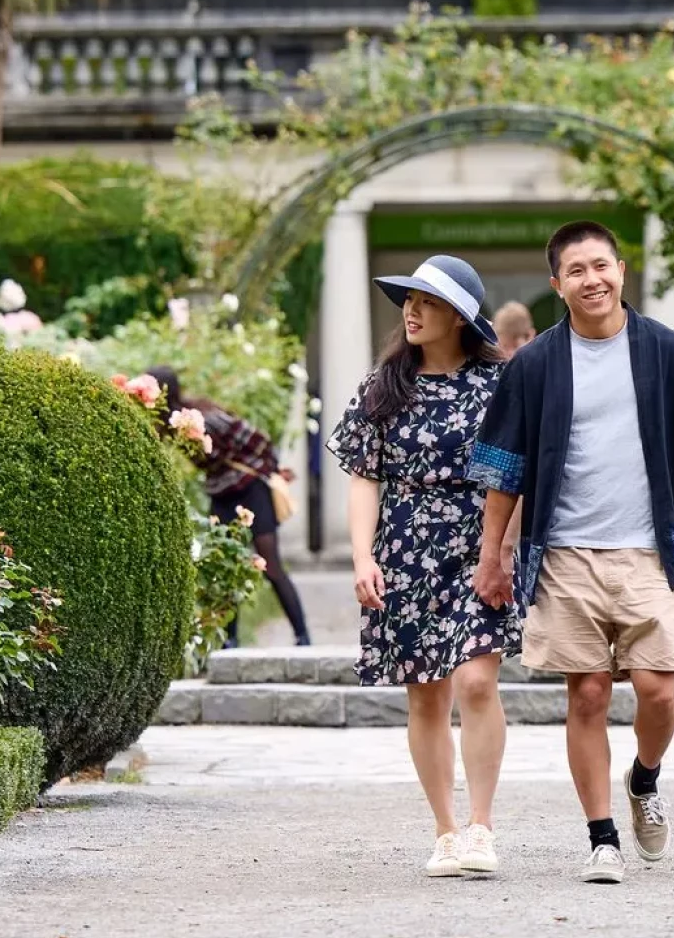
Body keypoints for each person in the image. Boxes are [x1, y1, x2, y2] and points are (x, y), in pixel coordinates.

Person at [467, 220, 674, 884]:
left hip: (648, 549)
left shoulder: (670, 353)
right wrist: (491, 555)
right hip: (563, 552)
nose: (593, 279)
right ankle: (601, 838)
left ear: (621, 268)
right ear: (558, 285)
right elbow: (504, 470)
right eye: (576, 271)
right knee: (586, 693)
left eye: (601, 265)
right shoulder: (534, 365)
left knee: (659, 691)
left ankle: (644, 778)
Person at [328, 254, 521, 879]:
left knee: (476, 683)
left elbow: (519, 474)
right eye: (408, 300)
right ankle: (444, 831)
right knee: (426, 698)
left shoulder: (498, 386)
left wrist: (506, 548)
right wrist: (364, 557)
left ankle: (482, 827)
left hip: (479, 545)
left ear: (460, 317)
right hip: (406, 548)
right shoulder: (383, 387)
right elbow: (364, 477)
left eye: (428, 302)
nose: (411, 311)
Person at [156, 364, 312, 648]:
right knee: (226, 564)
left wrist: (270, 467)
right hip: (222, 493)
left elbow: (257, 439)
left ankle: (302, 635)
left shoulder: (204, 419)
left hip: (251, 490)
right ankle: (231, 640)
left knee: (270, 563)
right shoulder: (169, 426)